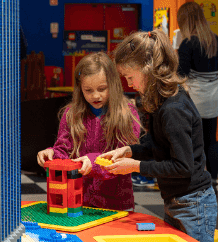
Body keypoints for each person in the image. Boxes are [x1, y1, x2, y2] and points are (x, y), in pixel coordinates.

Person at [103, 30, 217, 242]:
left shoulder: (173, 110)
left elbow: (183, 167)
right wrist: (129, 150)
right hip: (178, 200)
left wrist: (135, 166)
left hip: (192, 203)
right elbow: (157, 146)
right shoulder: (162, 101)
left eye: (130, 77)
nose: (129, 84)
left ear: (148, 69)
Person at [36, 52, 141, 211]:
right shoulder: (72, 114)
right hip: (77, 202)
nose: (95, 95)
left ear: (113, 84)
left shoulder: (127, 113)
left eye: (102, 89)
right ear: (80, 89)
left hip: (115, 204)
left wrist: (93, 162)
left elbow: (123, 158)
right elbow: (64, 150)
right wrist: (52, 155)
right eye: (88, 90)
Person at [176, 1, 218, 189]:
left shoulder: (188, 43)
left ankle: (194, 177)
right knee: (211, 141)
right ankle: (213, 179)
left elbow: (182, 73)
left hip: (194, 99)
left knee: (192, 141)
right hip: (214, 97)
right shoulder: (215, 40)